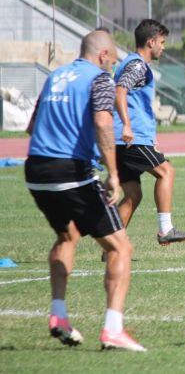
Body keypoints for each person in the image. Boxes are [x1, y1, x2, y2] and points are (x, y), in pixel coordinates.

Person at [25, 30, 146, 352]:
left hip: (36, 169)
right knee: (120, 247)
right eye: (113, 61)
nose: (113, 67)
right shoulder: (99, 79)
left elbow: (31, 125)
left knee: (68, 236)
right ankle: (113, 329)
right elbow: (104, 123)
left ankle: (59, 315)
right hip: (71, 172)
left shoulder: (55, 77)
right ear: (104, 55)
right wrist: (114, 174)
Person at [113, 19, 185, 246]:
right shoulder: (138, 65)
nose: (164, 47)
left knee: (133, 195)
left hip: (125, 140)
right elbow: (120, 91)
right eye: (162, 41)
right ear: (150, 42)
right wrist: (127, 125)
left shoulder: (132, 63)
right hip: (130, 139)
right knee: (166, 172)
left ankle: (112, 246)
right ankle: (165, 229)